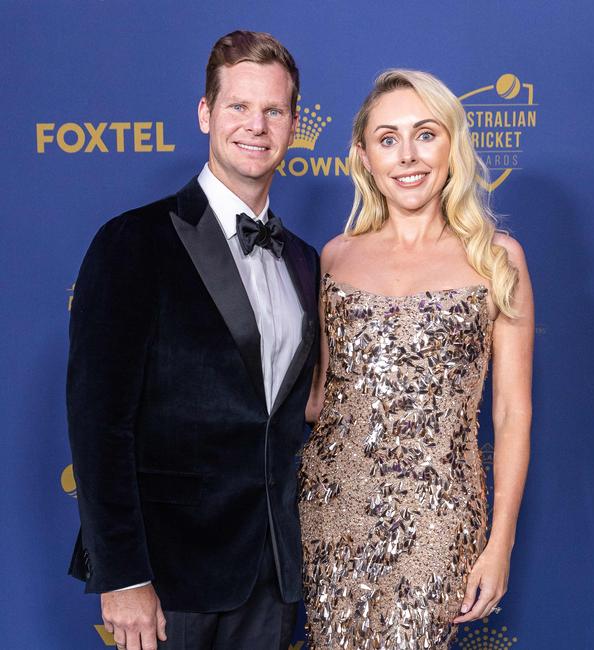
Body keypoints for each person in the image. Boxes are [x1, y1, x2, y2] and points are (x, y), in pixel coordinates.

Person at [66, 30, 319, 650]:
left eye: (274, 110)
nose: (256, 126)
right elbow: (100, 425)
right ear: (206, 113)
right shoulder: (133, 242)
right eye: (238, 106)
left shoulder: (306, 263)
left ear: (292, 123)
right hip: (166, 578)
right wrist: (122, 574)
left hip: (272, 574)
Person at [299, 69, 533, 649]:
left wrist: (499, 542)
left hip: (439, 517)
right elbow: (318, 400)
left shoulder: (498, 259)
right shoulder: (335, 257)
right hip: (331, 511)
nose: (407, 156)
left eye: (425, 134)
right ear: (363, 156)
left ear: (452, 144)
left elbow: (511, 413)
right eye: (387, 139)